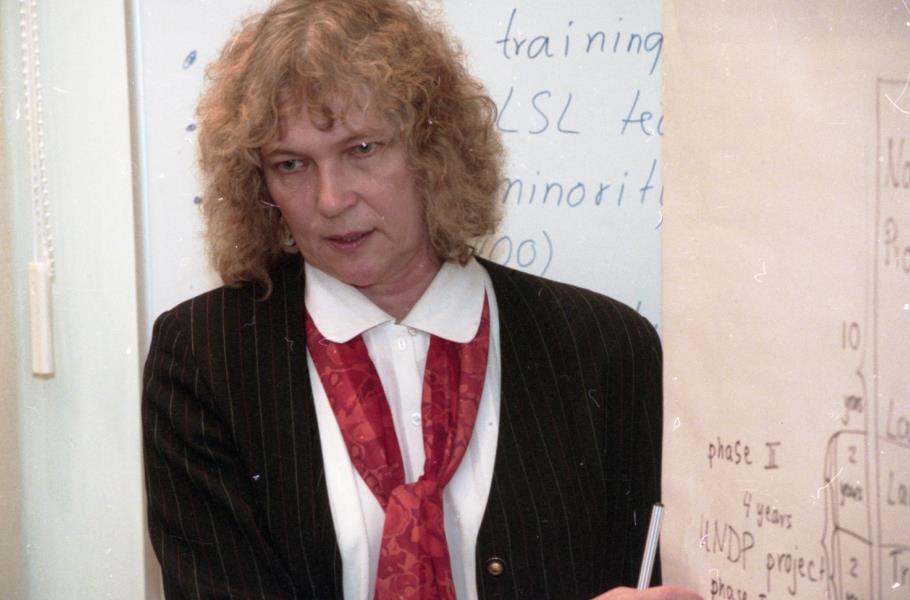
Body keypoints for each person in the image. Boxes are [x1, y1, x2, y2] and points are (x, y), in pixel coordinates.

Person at [142, 1, 700, 599]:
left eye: (362, 149)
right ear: (260, 184)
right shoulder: (205, 357)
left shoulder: (607, 349)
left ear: (434, 149)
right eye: (292, 164)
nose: (331, 199)